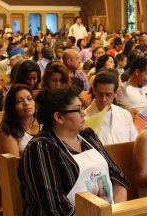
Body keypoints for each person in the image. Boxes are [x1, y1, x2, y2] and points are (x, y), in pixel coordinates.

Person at [20, 87, 128, 215]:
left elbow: (117, 176)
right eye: (78, 110)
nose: (84, 113)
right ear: (59, 117)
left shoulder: (88, 136)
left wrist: (116, 211)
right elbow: (54, 207)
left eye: (82, 108)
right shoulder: (40, 148)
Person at [85, 71, 137, 145]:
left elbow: (134, 142)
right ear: (94, 91)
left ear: (115, 94)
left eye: (108, 95)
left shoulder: (125, 115)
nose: (104, 99)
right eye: (100, 94)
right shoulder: (85, 119)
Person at [0, 84, 39, 157]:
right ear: (12, 106)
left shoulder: (43, 123)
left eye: (29, 98)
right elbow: (14, 164)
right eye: (19, 101)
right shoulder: (7, 130)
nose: (26, 103)